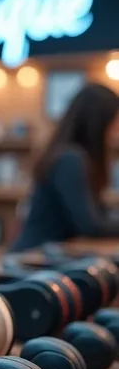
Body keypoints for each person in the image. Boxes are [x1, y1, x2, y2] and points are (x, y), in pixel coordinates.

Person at [11, 82, 119, 252]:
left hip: (45, 260)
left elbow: (100, 214)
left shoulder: (70, 156)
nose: (115, 131)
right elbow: (91, 226)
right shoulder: (70, 160)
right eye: (113, 123)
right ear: (98, 124)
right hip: (32, 261)